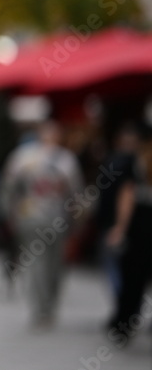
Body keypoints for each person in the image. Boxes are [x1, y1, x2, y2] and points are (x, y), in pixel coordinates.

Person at [0, 121, 83, 328]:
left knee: (44, 262)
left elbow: (7, 189)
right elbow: (77, 193)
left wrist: (9, 214)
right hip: (46, 218)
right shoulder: (64, 159)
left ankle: (43, 307)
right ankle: (45, 307)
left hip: (36, 217)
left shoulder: (24, 157)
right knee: (48, 263)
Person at [106, 136, 152, 344]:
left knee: (132, 281)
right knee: (133, 280)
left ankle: (124, 324)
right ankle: (124, 322)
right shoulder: (137, 164)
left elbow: (127, 197)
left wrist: (120, 228)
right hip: (140, 231)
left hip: (139, 231)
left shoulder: (137, 163)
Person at [95, 124, 139, 300]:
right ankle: (126, 304)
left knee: (116, 265)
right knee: (123, 266)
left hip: (117, 223)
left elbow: (126, 196)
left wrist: (119, 226)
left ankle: (124, 303)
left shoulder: (120, 162)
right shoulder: (131, 161)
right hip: (123, 223)